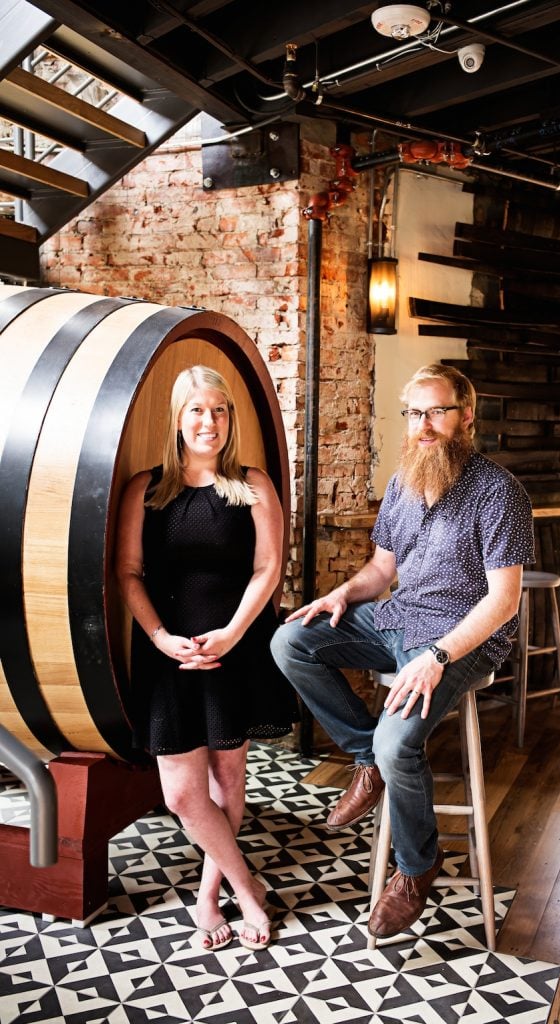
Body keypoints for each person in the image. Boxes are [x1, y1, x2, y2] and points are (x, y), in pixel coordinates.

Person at [271, 363, 535, 939]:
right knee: (291, 640)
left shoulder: (499, 492)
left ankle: (416, 868)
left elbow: (504, 601)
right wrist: (341, 593)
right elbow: (382, 569)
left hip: (462, 637)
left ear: (466, 416)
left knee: (400, 746)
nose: (424, 425)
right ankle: (363, 758)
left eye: (437, 411)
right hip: (396, 620)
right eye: (415, 413)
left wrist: (438, 656)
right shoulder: (402, 482)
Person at [116, 364, 297, 953]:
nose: (208, 422)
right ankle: (249, 890)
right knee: (181, 794)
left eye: (218, 411)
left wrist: (233, 634)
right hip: (169, 654)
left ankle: (209, 892)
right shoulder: (144, 489)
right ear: (177, 417)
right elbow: (128, 572)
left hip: (234, 650)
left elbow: (268, 568)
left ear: (230, 419)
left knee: (227, 780)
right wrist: (160, 635)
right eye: (196, 409)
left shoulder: (252, 484)